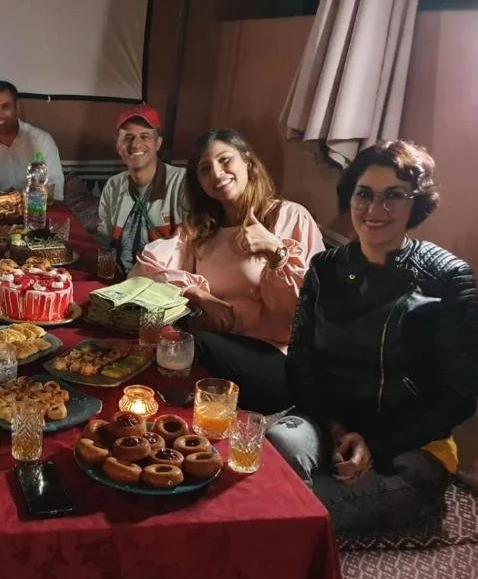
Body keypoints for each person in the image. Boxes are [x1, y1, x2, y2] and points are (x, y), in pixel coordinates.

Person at [267, 140, 478, 536]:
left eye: (393, 196)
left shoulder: (448, 278)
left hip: (411, 447)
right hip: (330, 428)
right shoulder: (325, 268)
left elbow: (458, 397)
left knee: (291, 514)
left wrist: (375, 443)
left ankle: (414, 504)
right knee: (273, 446)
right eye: (364, 194)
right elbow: (301, 363)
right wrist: (336, 430)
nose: (374, 209)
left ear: (416, 203)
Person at [129, 129, 324, 413]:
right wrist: (198, 294)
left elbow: (309, 312)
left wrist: (276, 253)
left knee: (185, 344)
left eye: (225, 160)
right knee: (154, 337)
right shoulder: (201, 230)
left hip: (279, 362)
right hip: (219, 350)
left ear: (248, 162)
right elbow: (141, 273)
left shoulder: (288, 216)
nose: (217, 173)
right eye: (205, 169)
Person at [96, 104, 187, 275]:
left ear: (158, 143)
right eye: (128, 137)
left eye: (145, 136)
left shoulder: (181, 182)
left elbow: (189, 247)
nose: (136, 144)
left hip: (164, 282)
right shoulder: (113, 185)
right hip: (119, 279)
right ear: (118, 146)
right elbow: (104, 242)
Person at [0, 80, 64, 200]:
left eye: (5, 107)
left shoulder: (42, 141)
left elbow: (56, 193)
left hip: (35, 209)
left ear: (17, 107)